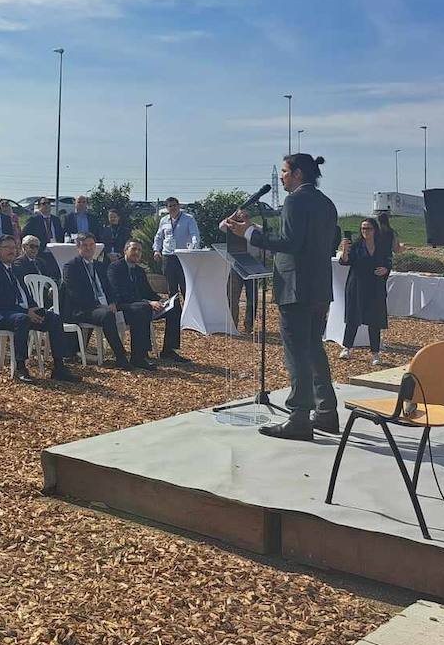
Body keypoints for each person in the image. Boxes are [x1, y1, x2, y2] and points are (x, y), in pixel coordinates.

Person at [226, 153, 340, 441]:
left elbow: (290, 243)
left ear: (299, 173)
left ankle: (299, 417)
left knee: (297, 351)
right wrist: (258, 230)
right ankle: (327, 413)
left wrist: (249, 233)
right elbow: (305, 239)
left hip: (295, 287)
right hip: (318, 287)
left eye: (286, 171)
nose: (281, 176)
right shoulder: (326, 203)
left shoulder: (294, 200)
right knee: (313, 347)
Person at [0, 236, 76, 383]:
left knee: (53, 318)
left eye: (14, 247)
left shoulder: (14, 270)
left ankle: (59, 366)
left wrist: (34, 308)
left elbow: (24, 293)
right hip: (0, 314)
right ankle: (20, 367)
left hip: (21, 312)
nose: (12, 251)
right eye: (8, 248)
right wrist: (26, 312)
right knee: (22, 319)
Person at [106, 240, 184, 368]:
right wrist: (148, 302)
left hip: (142, 306)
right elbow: (119, 294)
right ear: (125, 251)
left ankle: (168, 350)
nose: (137, 253)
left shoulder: (139, 271)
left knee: (174, 308)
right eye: (134, 249)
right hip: (123, 307)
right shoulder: (115, 267)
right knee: (143, 308)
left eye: (140, 250)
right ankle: (139, 356)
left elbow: (148, 292)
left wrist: (162, 301)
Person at [60, 232, 133, 368]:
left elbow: (109, 288)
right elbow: (76, 295)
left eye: (91, 245)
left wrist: (112, 302)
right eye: (85, 245)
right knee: (106, 315)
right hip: (83, 308)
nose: (89, 248)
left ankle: (140, 354)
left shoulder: (100, 266)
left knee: (134, 309)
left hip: (104, 305)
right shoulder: (71, 267)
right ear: (78, 247)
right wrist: (100, 306)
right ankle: (121, 357)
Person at [338, 217, 391, 365]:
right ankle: (346, 348)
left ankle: (375, 354)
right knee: (352, 319)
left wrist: (385, 269)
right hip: (357, 286)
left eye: (368, 228)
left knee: (374, 321)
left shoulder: (382, 246)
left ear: (375, 230)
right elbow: (345, 262)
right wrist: (344, 250)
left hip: (375, 287)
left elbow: (388, 262)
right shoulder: (356, 246)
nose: (365, 231)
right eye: (363, 229)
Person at [152, 197, 199, 300]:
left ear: (179, 206)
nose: (173, 208)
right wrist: (156, 250)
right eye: (170, 206)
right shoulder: (164, 220)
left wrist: (194, 248)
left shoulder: (188, 219)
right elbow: (159, 237)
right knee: (171, 288)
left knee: (185, 286)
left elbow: (194, 235)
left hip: (183, 256)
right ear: (167, 208)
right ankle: (174, 314)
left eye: (175, 205)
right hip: (167, 257)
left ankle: (188, 313)